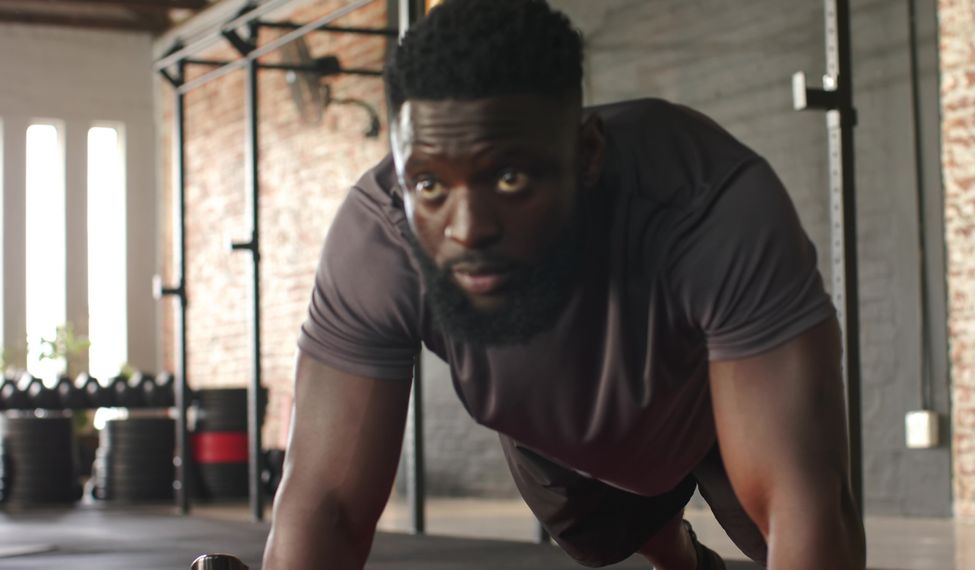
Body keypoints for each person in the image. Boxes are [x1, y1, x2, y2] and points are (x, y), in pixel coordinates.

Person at [263, 0, 866, 568]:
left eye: (509, 177)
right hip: (557, 428)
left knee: (779, 534)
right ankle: (679, 555)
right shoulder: (380, 236)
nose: (468, 229)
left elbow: (803, 500)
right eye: (429, 185)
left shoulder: (709, 202)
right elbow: (329, 505)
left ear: (588, 153)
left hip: (712, 397)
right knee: (606, 540)